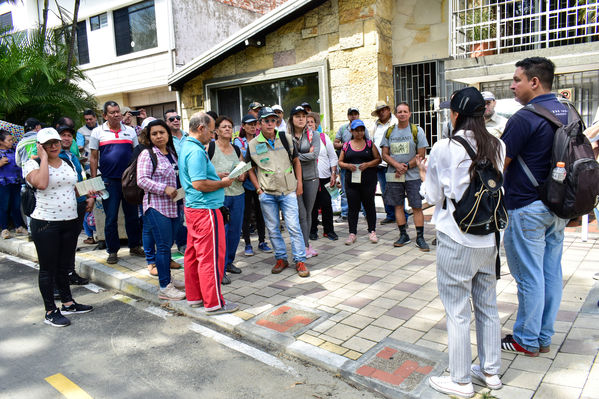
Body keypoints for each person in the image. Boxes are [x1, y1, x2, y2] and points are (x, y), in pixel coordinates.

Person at [419, 87, 504, 398]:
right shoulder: (498, 144)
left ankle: (460, 380)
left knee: (456, 309)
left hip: (456, 237)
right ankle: (490, 372)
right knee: (487, 305)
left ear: (455, 114)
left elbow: (432, 196)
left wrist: (424, 173)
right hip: (489, 238)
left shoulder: (444, 147)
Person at [500, 57, 569, 357]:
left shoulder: (523, 118)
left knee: (529, 276)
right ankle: (543, 335)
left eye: (517, 80)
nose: (512, 86)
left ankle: (526, 340)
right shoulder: (568, 111)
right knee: (550, 273)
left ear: (534, 82)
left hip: (526, 208)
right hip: (559, 206)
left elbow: (499, 164)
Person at [23, 128, 93, 327]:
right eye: (48, 144)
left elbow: (73, 185)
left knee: (64, 265)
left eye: (55, 142)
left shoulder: (69, 161)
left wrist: (88, 196)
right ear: (40, 146)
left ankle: (68, 303)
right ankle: (50, 311)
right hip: (45, 223)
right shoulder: (32, 163)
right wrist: (43, 157)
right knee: (48, 269)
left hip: (70, 220)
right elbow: (42, 183)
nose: (53, 146)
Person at [179, 112, 239, 314]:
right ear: (201, 128)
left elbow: (200, 177)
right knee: (210, 257)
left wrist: (216, 176)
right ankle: (213, 302)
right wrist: (222, 183)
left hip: (195, 209)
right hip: (205, 210)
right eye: (212, 130)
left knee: (193, 255)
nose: (213, 135)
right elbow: (199, 183)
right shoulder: (196, 151)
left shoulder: (187, 146)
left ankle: (195, 297)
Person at [246, 107, 309, 277]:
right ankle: (281, 258)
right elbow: (249, 168)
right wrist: (258, 188)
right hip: (267, 193)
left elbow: (296, 161)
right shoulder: (252, 144)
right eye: (266, 120)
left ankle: (300, 260)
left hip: (288, 190)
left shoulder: (285, 138)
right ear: (260, 123)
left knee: (294, 226)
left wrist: (299, 183)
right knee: (273, 229)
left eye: (273, 120)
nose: (270, 123)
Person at [89, 101, 144, 264]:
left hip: (129, 181)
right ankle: (112, 251)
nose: (116, 115)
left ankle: (135, 246)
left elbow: (137, 154)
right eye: (112, 112)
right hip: (108, 181)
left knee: (132, 216)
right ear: (105, 115)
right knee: (111, 217)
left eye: (118, 112)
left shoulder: (130, 131)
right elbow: (93, 157)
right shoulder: (97, 132)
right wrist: (94, 181)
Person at [137, 119, 186, 301]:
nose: (158, 136)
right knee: (164, 247)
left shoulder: (172, 153)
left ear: (168, 134)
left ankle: (168, 280)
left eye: (161, 132)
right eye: (154, 134)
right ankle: (165, 287)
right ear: (149, 137)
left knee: (168, 245)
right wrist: (163, 188)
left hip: (174, 206)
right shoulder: (147, 154)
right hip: (157, 207)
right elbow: (141, 180)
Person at [380, 102, 430, 251]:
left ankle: (420, 237)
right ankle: (403, 235)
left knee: (416, 206)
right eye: (399, 111)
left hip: (413, 175)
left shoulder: (417, 131)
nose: (402, 114)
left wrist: (406, 166)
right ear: (395, 114)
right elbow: (384, 154)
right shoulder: (389, 132)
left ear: (409, 114)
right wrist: (397, 165)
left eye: (405, 111)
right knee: (398, 205)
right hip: (394, 175)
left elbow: (421, 154)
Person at [211, 116, 246, 285]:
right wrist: (218, 176)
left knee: (234, 231)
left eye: (230, 126)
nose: (227, 129)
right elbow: (202, 172)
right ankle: (220, 268)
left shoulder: (236, 148)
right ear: (216, 130)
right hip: (219, 196)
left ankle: (229, 261)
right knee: (221, 233)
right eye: (223, 127)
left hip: (238, 194)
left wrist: (241, 175)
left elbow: (243, 168)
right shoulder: (209, 147)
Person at [57, 125, 92, 285]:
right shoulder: (55, 157)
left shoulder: (73, 156)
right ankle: (59, 280)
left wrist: (88, 197)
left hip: (78, 202)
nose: (66, 138)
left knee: (72, 241)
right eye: (63, 135)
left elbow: (79, 179)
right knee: (60, 245)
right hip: (61, 206)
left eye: (69, 136)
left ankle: (70, 273)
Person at [338, 119, 381, 245]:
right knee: (353, 207)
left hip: (368, 181)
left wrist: (367, 164)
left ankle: (372, 231)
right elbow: (340, 162)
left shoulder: (369, 144)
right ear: (352, 131)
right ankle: (352, 233)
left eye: (361, 130)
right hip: (352, 182)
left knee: (369, 206)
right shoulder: (346, 145)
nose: (359, 133)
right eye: (356, 130)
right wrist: (348, 166)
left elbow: (378, 159)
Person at [235, 115, 272, 257]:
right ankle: (248, 244)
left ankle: (262, 241)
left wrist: (253, 162)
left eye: (254, 124)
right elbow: (241, 162)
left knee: (261, 213)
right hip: (245, 183)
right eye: (249, 124)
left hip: (260, 182)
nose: (252, 127)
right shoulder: (238, 142)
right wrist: (252, 163)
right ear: (243, 126)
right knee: (246, 214)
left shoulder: (260, 141)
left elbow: (263, 160)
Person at [288, 105, 320, 258]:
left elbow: (314, 156)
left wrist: (296, 157)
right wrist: (304, 155)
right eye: (297, 116)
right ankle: (303, 245)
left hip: (311, 178)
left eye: (303, 116)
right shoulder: (286, 136)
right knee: (300, 214)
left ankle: (306, 245)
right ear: (292, 119)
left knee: (308, 212)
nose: (301, 118)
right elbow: (286, 158)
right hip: (293, 179)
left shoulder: (314, 135)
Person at [334, 107, 369, 223]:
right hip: (346, 165)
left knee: (364, 190)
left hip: (361, 166)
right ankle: (345, 213)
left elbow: (369, 144)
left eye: (355, 114)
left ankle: (366, 213)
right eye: (351, 114)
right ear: (348, 116)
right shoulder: (343, 128)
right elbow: (335, 143)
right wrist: (346, 145)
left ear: (358, 115)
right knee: (345, 190)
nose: (353, 116)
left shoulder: (364, 128)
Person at [308, 113, 339, 241]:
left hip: (326, 177)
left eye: (311, 121)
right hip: (310, 179)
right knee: (312, 206)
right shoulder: (302, 140)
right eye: (307, 121)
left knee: (327, 204)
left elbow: (333, 157)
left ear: (316, 124)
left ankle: (329, 231)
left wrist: (333, 174)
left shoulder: (323, 137)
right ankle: (312, 230)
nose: (309, 124)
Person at [164, 109, 188, 254]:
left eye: (177, 118)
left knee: (189, 211)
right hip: (175, 181)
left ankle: (191, 241)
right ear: (166, 123)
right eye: (171, 119)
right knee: (179, 213)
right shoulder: (166, 140)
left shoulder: (188, 136)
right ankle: (181, 243)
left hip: (190, 180)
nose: (175, 120)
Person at [371, 101, 399, 225]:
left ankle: (401, 216)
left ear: (388, 109)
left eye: (383, 110)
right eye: (379, 111)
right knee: (385, 190)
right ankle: (390, 214)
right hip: (380, 163)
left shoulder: (396, 123)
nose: (382, 113)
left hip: (394, 162)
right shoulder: (375, 125)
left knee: (397, 189)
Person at [0, 129, 27, 239]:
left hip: (16, 182)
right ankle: (5, 229)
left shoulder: (14, 151)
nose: (11, 142)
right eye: (9, 140)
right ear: (1, 142)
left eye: (12, 140)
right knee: (4, 206)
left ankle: (19, 226)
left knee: (16, 205)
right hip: (3, 183)